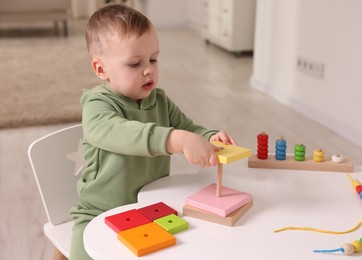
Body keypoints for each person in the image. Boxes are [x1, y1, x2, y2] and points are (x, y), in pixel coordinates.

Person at [66, 4, 236, 260]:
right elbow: (115, 131)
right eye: (135, 64)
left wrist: (209, 136)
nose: (149, 70)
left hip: (152, 209)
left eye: (153, 59)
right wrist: (173, 139)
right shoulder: (98, 104)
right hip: (100, 213)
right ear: (101, 70)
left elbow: (189, 129)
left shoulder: (159, 100)